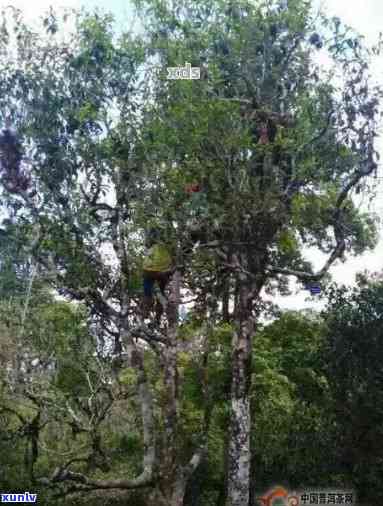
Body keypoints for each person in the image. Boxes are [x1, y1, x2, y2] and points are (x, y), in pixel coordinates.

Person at [142, 229, 173, 320]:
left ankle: (150, 311)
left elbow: (147, 243)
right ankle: (156, 316)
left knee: (148, 291)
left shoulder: (157, 247)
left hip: (153, 271)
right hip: (161, 271)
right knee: (159, 292)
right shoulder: (161, 247)